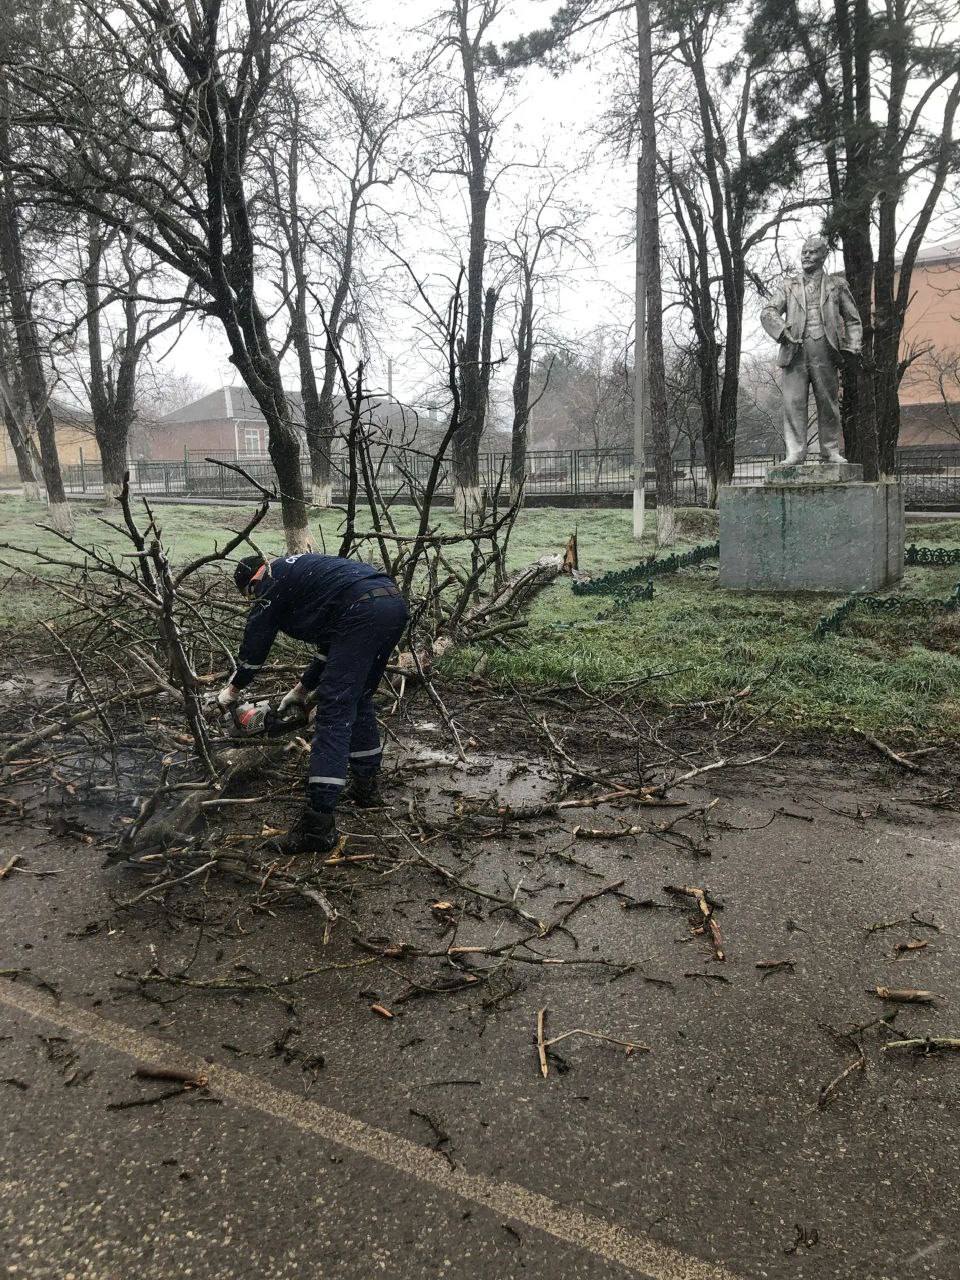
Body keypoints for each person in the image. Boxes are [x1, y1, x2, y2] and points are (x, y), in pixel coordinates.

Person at [216, 552, 409, 853]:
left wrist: (233, 689)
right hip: (391, 603)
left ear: (252, 583)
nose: (253, 602)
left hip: (362, 609)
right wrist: (302, 689)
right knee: (359, 697)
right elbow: (330, 645)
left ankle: (317, 826)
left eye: (249, 597)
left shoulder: (269, 581)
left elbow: (257, 641)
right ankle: (366, 787)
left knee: (334, 712)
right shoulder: (300, 576)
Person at [759, 234, 863, 465]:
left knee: (828, 403)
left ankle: (830, 451)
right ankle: (795, 452)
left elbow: (853, 320)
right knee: (793, 403)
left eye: (813, 251)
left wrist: (852, 346)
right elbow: (767, 311)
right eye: (804, 251)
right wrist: (781, 330)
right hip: (794, 350)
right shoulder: (788, 286)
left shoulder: (837, 285)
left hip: (825, 350)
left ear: (824, 255)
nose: (807, 255)